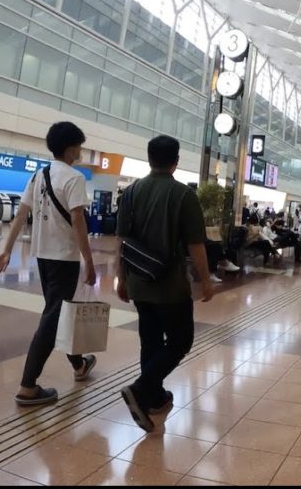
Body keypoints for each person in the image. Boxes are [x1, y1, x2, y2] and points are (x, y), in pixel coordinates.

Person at [0, 122, 99, 405]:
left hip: (42, 256)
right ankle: (28, 385)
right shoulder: (74, 178)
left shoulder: (37, 175)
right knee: (52, 317)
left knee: (57, 311)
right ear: (70, 147)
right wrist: (89, 261)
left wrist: (6, 250)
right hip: (64, 257)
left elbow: (21, 215)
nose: (80, 150)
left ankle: (78, 364)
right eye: (79, 145)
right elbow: (78, 221)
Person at [116, 135, 214, 432]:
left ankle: (155, 398)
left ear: (149, 159)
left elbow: (121, 240)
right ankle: (142, 387)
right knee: (181, 341)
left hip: (138, 282)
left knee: (151, 340)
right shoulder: (183, 195)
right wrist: (206, 281)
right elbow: (196, 244)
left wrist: (121, 279)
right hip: (170, 285)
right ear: (176, 161)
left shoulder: (131, 192)